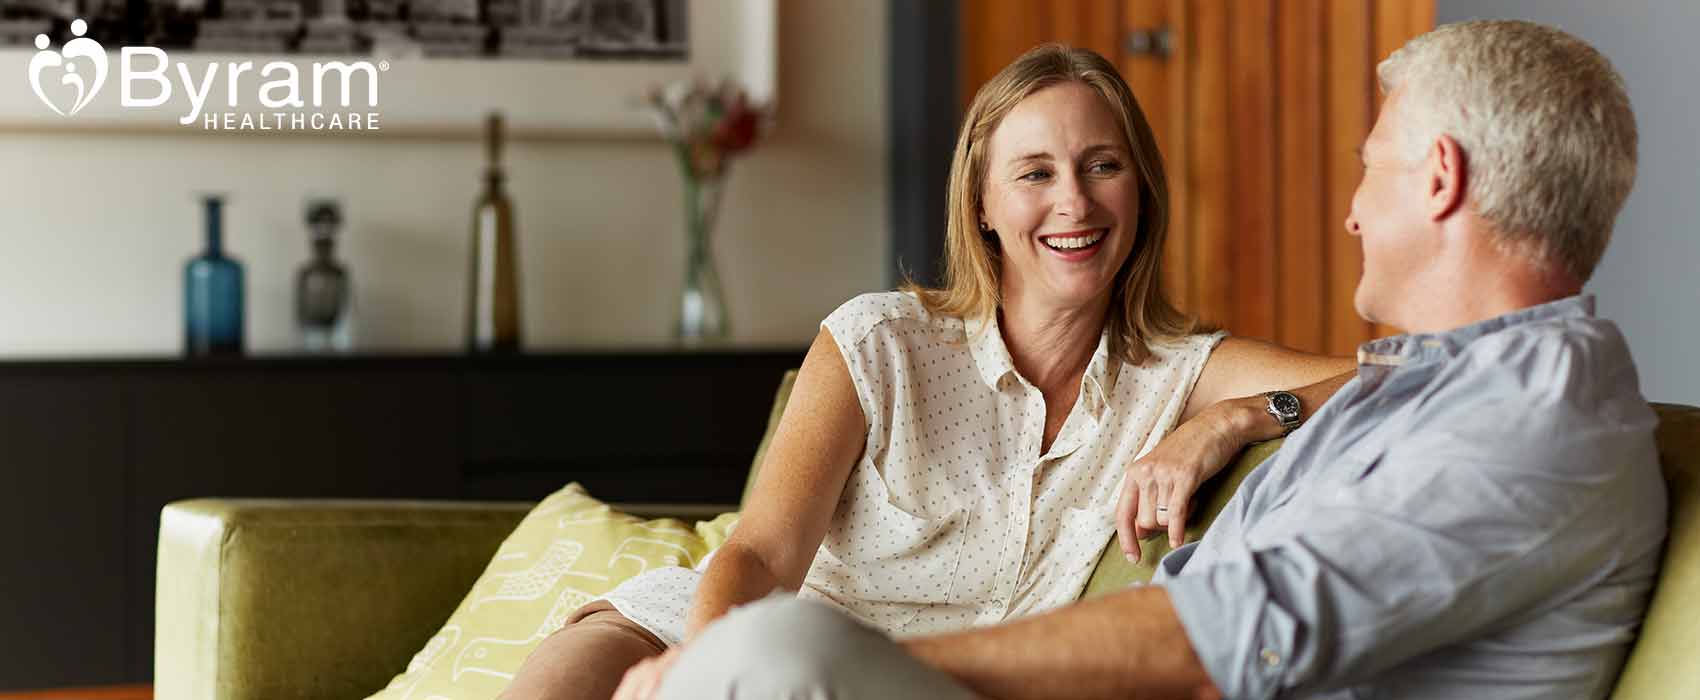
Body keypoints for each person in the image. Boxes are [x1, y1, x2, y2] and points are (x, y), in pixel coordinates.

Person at [640, 19, 1666, 700]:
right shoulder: (1439, 385)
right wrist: (1238, 417)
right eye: (1035, 173)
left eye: (1370, 168)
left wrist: (854, 674)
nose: (1351, 211)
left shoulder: (1526, 422)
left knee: (773, 658)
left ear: (1437, 178)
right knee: (670, 649)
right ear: (984, 203)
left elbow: (1210, 637)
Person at [499, 44, 1354, 700]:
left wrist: (1236, 419)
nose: (1076, 204)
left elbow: (1417, 373)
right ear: (982, 206)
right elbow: (759, 554)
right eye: (1035, 174)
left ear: (1142, 191)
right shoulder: (879, 342)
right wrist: (706, 668)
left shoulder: (1184, 372)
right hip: (751, 642)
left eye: (1104, 165)